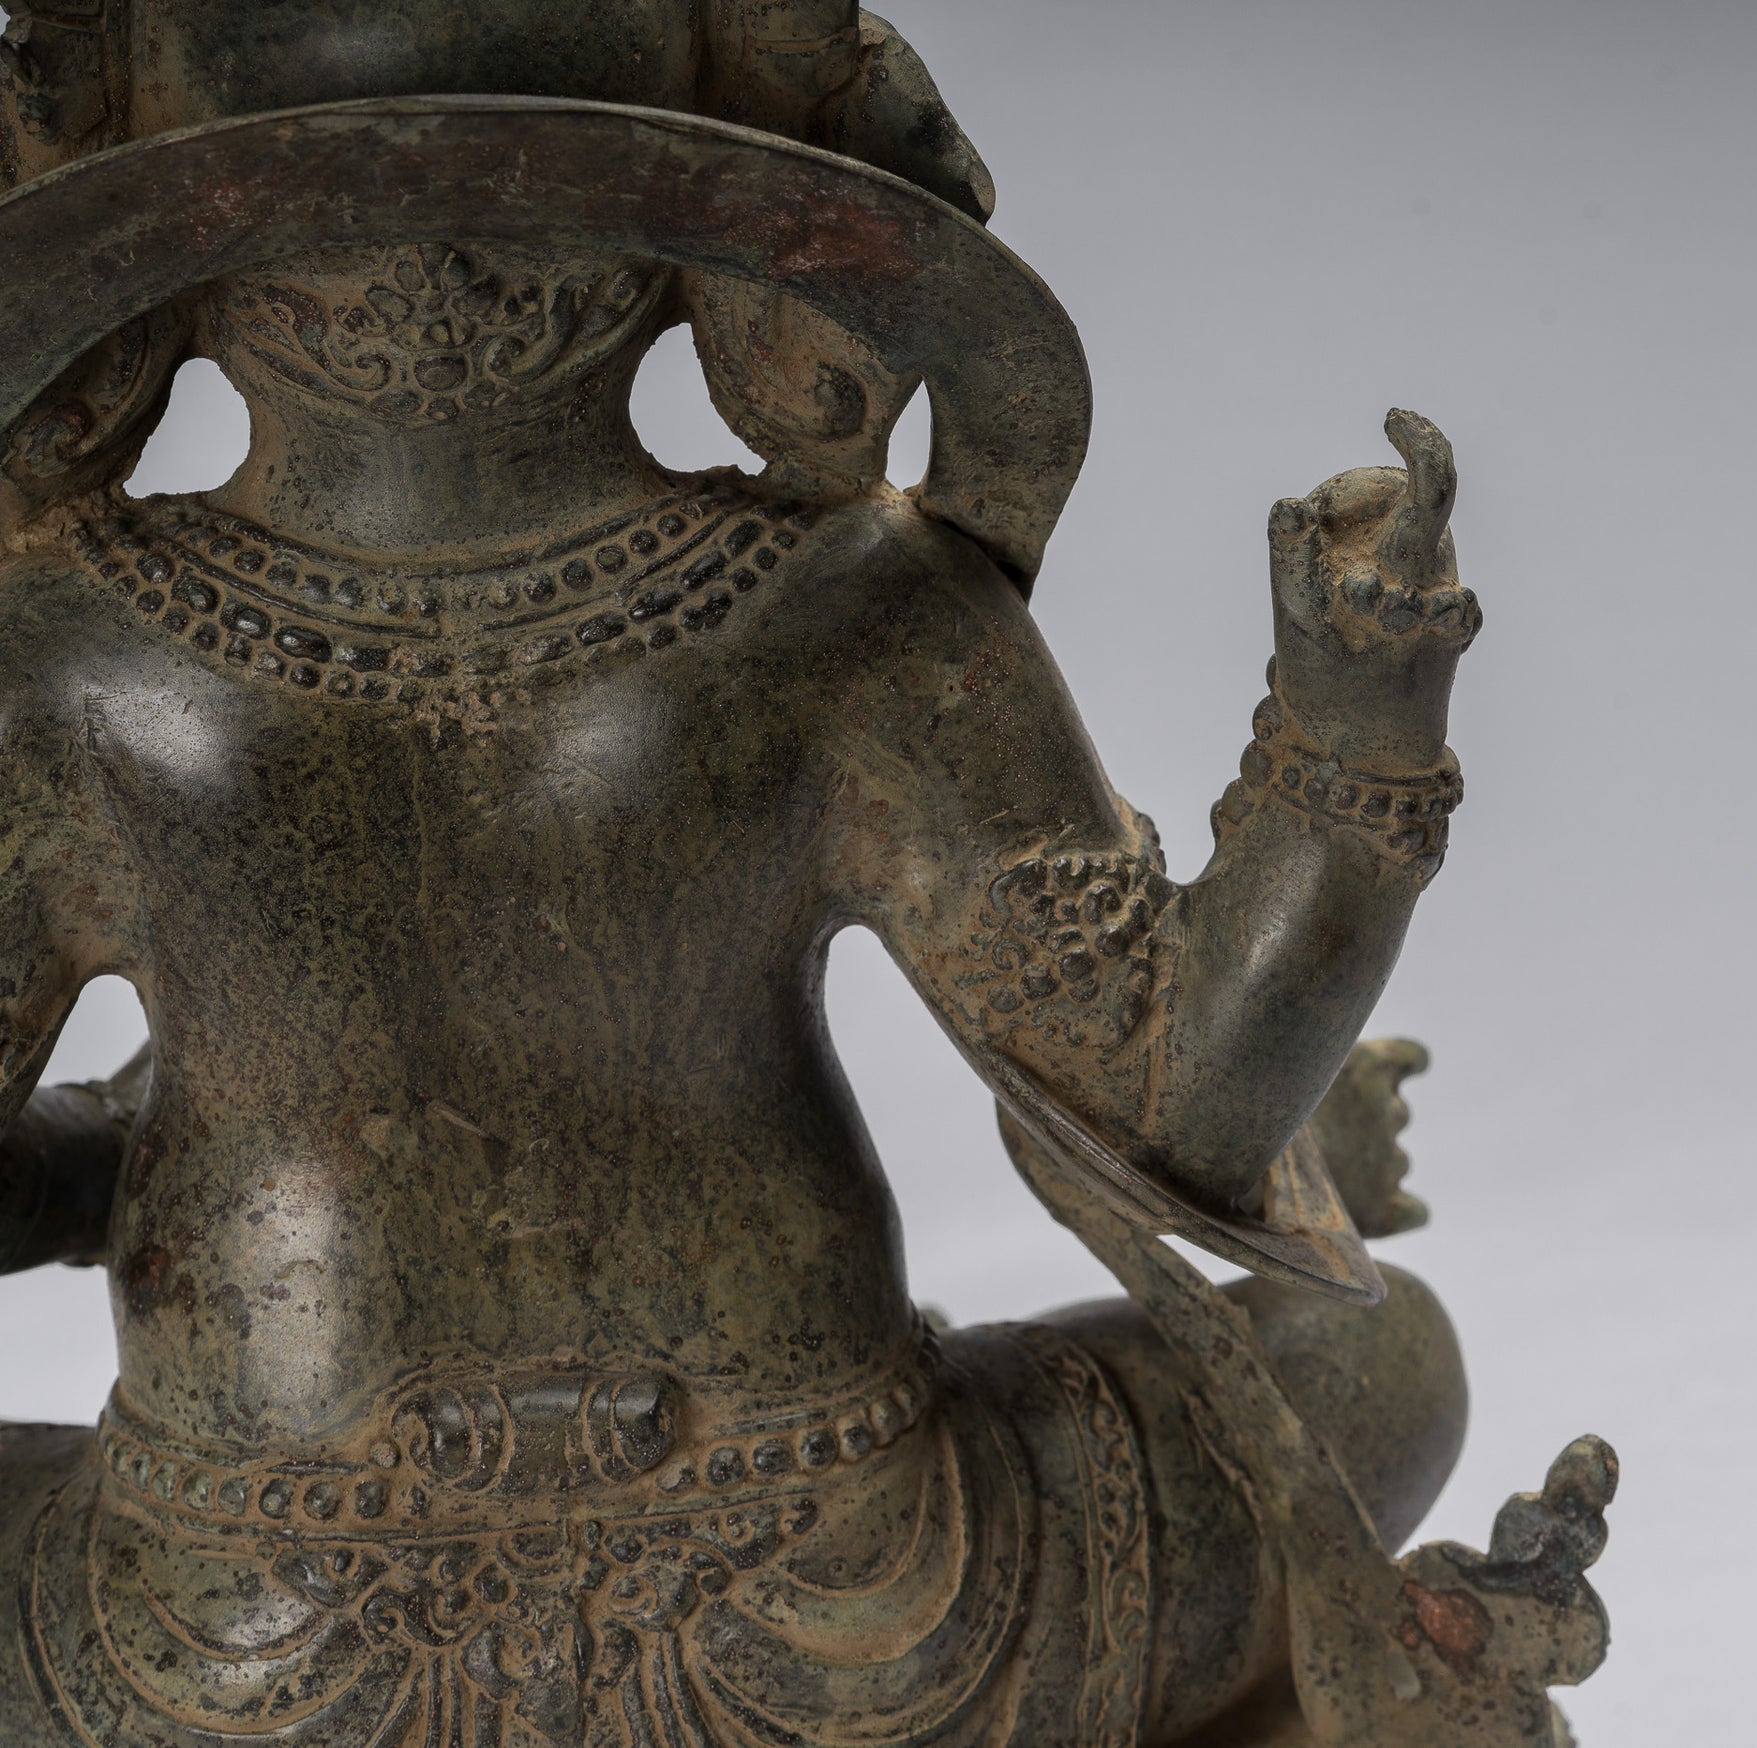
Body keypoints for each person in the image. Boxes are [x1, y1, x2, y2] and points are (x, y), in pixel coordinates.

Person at [0, 4, 1611, 1742]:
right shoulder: (848, 606)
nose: (437, 276)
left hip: (235, 1643)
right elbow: (1179, 1094)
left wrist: (162, 1161)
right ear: (705, 214)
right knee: (1385, 1358)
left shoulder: (64, 658)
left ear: (170, 240)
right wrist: (1357, 728)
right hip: (852, 1605)